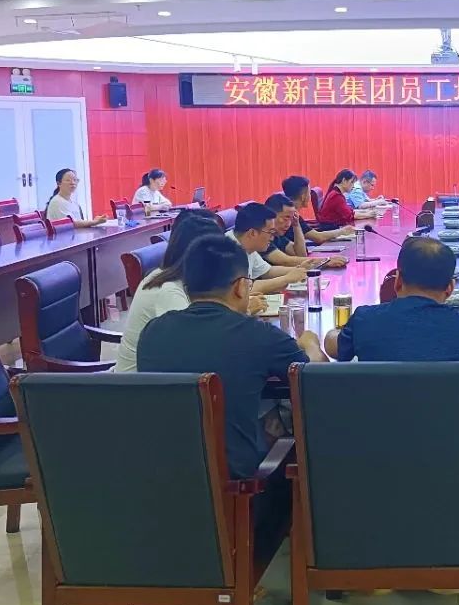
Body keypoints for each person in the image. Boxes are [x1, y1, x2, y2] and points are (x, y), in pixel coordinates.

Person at [137, 235, 326, 563]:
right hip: (236, 486)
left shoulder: (152, 332)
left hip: (163, 479)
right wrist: (310, 343)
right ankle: (259, 559)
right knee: (295, 445)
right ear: (240, 287)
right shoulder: (258, 336)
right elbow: (313, 378)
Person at [324, 237, 459, 379]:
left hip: (376, 418)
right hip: (445, 419)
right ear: (450, 288)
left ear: (397, 281)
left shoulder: (365, 320)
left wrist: (335, 332)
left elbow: (333, 348)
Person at [115, 210, 247, 372]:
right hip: (139, 382)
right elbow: (195, 344)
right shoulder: (168, 289)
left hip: (164, 372)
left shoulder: (179, 278)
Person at [227, 202, 309, 295]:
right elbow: (242, 290)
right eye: (270, 232)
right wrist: (286, 279)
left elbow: (267, 271)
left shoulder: (247, 246)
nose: (272, 238)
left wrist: (300, 270)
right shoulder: (227, 251)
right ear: (252, 233)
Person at [261, 193, 347, 270]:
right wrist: (326, 261)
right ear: (271, 215)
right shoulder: (262, 235)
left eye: (291, 219)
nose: (288, 224)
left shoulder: (277, 235)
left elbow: (301, 254)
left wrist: (296, 225)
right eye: (286, 218)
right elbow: (285, 261)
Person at [280, 175, 355, 246]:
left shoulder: (287, 213)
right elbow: (318, 237)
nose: (310, 196)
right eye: (309, 193)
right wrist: (342, 231)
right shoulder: (293, 216)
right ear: (303, 197)